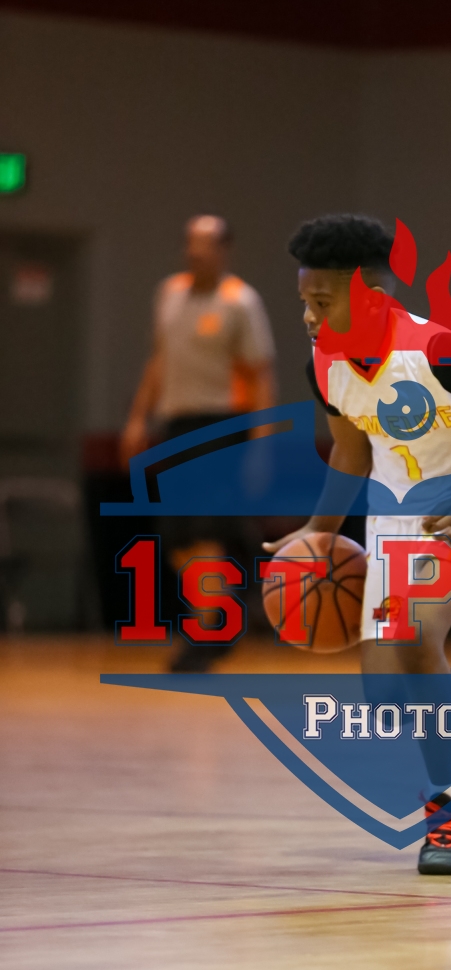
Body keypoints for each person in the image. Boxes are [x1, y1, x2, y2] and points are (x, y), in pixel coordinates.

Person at [263, 214, 451, 874]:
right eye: (303, 301)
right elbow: (351, 451)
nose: (307, 316)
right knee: (387, 698)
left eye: (321, 301)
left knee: (417, 634)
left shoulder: (436, 349)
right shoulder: (325, 363)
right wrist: (319, 531)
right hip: (394, 519)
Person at [121, 214, 278, 670]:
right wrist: (138, 417)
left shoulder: (240, 302)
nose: (195, 251)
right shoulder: (169, 293)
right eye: (190, 242)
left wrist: (263, 446)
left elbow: (261, 376)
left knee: (205, 531)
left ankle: (207, 631)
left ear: (225, 250)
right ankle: (225, 606)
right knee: (176, 537)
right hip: (176, 424)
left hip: (221, 426)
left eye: (205, 244)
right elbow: (159, 358)